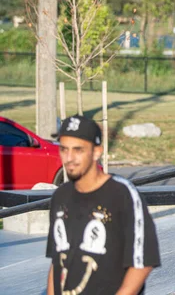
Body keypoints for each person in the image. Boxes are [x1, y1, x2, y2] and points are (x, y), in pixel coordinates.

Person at [46, 115, 160, 295]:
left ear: (97, 152)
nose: (69, 158)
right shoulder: (61, 196)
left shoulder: (122, 194)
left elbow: (143, 261)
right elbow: (57, 260)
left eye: (78, 150)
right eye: (64, 149)